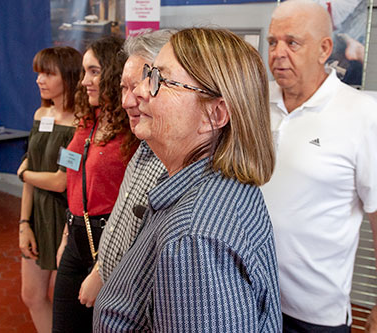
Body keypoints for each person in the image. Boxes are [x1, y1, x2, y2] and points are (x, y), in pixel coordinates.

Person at [93, 27, 282, 332]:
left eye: (158, 80)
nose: (141, 91)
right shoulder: (221, 186)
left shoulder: (194, 239)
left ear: (215, 114)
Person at [261, 0, 377, 331]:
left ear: (325, 48)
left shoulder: (364, 116)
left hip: (314, 315)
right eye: (272, 42)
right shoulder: (257, 103)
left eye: (292, 42)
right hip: (249, 299)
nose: (278, 53)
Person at [77, 29, 174, 308]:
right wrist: (100, 270)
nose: (127, 101)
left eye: (140, 86)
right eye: (124, 88)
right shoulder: (145, 145)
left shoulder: (176, 163)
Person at [51, 35, 136, 332]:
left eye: (94, 71)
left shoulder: (132, 128)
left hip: (110, 241)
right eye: (85, 71)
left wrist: (101, 270)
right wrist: (65, 237)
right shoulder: (88, 119)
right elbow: (74, 181)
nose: (85, 80)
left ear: (114, 72)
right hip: (75, 236)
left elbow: (135, 203)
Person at [16, 46, 82, 333]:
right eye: (38, 73)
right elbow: (30, 162)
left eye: (47, 73)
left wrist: (25, 174)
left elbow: (61, 181)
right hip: (36, 216)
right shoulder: (40, 113)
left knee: (64, 301)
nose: (39, 80)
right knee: (31, 294)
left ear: (68, 77)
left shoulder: (81, 123)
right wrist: (23, 223)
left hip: (66, 218)